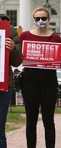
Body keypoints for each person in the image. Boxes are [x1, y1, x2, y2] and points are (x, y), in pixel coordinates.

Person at [20, 6, 61, 148]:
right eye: (37, 18)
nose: (40, 21)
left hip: (49, 81)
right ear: (33, 19)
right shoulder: (25, 36)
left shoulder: (56, 38)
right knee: (31, 120)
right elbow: (18, 58)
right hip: (30, 80)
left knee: (49, 120)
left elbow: (58, 64)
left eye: (43, 18)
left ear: (49, 19)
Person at [0, 14, 22, 148]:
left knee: (0, 129)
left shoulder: (8, 29)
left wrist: (13, 49)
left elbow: (18, 61)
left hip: (3, 85)